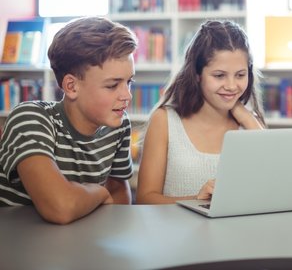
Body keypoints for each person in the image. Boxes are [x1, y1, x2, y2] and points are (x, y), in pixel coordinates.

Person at [0, 16, 138, 224]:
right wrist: (100, 193)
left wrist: (83, 197)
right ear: (71, 86)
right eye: (112, 85)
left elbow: (118, 194)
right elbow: (60, 207)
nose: (127, 96)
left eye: (129, 82)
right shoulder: (30, 119)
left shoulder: (118, 125)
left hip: (80, 242)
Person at [136, 20, 265, 204]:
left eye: (240, 75)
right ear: (196, 74)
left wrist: (248, 118)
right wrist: (197, 200)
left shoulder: (251, 124)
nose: (231, 86)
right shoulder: (165, 120)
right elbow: (145, 199)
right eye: (219, 75)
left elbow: (270, 186)